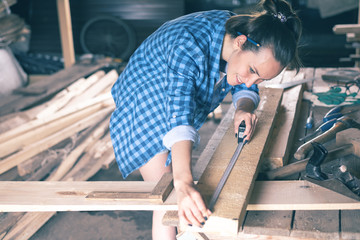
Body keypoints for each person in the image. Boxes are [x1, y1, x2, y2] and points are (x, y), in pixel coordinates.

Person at [110, 0, 302, 239]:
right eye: (252, 70)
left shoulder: (238, 32)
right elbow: (180, 118)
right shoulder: (187, 44)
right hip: (144, 100)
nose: (252, 82)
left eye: (261, 79)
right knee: (168, 196)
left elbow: (244, 85)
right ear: (241, 43)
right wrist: (184, 181)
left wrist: (243, 107)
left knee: (176, 191)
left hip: (169, 92)